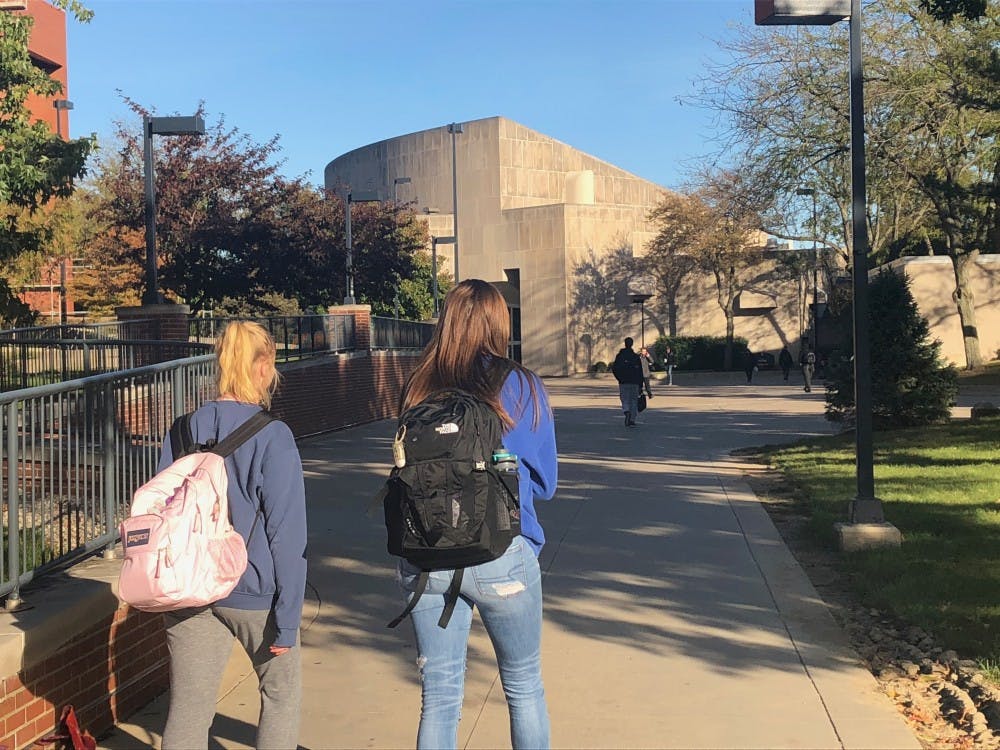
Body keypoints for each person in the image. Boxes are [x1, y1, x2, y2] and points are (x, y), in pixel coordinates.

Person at [395, 279, 558, 750]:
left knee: (439, 697)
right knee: (523, 686)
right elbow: (545, 483)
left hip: (426, 552)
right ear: (499, 323)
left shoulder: (418, 383)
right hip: (501, 550)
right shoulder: (521, 384)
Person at [159, 322, 307, 750]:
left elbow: (163, 508)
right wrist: (288, 619)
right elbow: (287, 534)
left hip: (189, 589)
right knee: (279, 697)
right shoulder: (273, 436)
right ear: (262, 367)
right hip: (253, 591)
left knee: (189, 709)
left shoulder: (182, 429)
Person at [612, 337, 644, 426]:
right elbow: (640, 372)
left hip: (623, 382)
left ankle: (626, 411)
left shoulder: (620, 356)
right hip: (634, 382)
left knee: (624, 399)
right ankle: (632, 419)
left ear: (625, 344)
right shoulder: (635, 357)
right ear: (632, 344)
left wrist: (619, 378)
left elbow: (614, 369)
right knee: (634, 400)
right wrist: (641, 384)